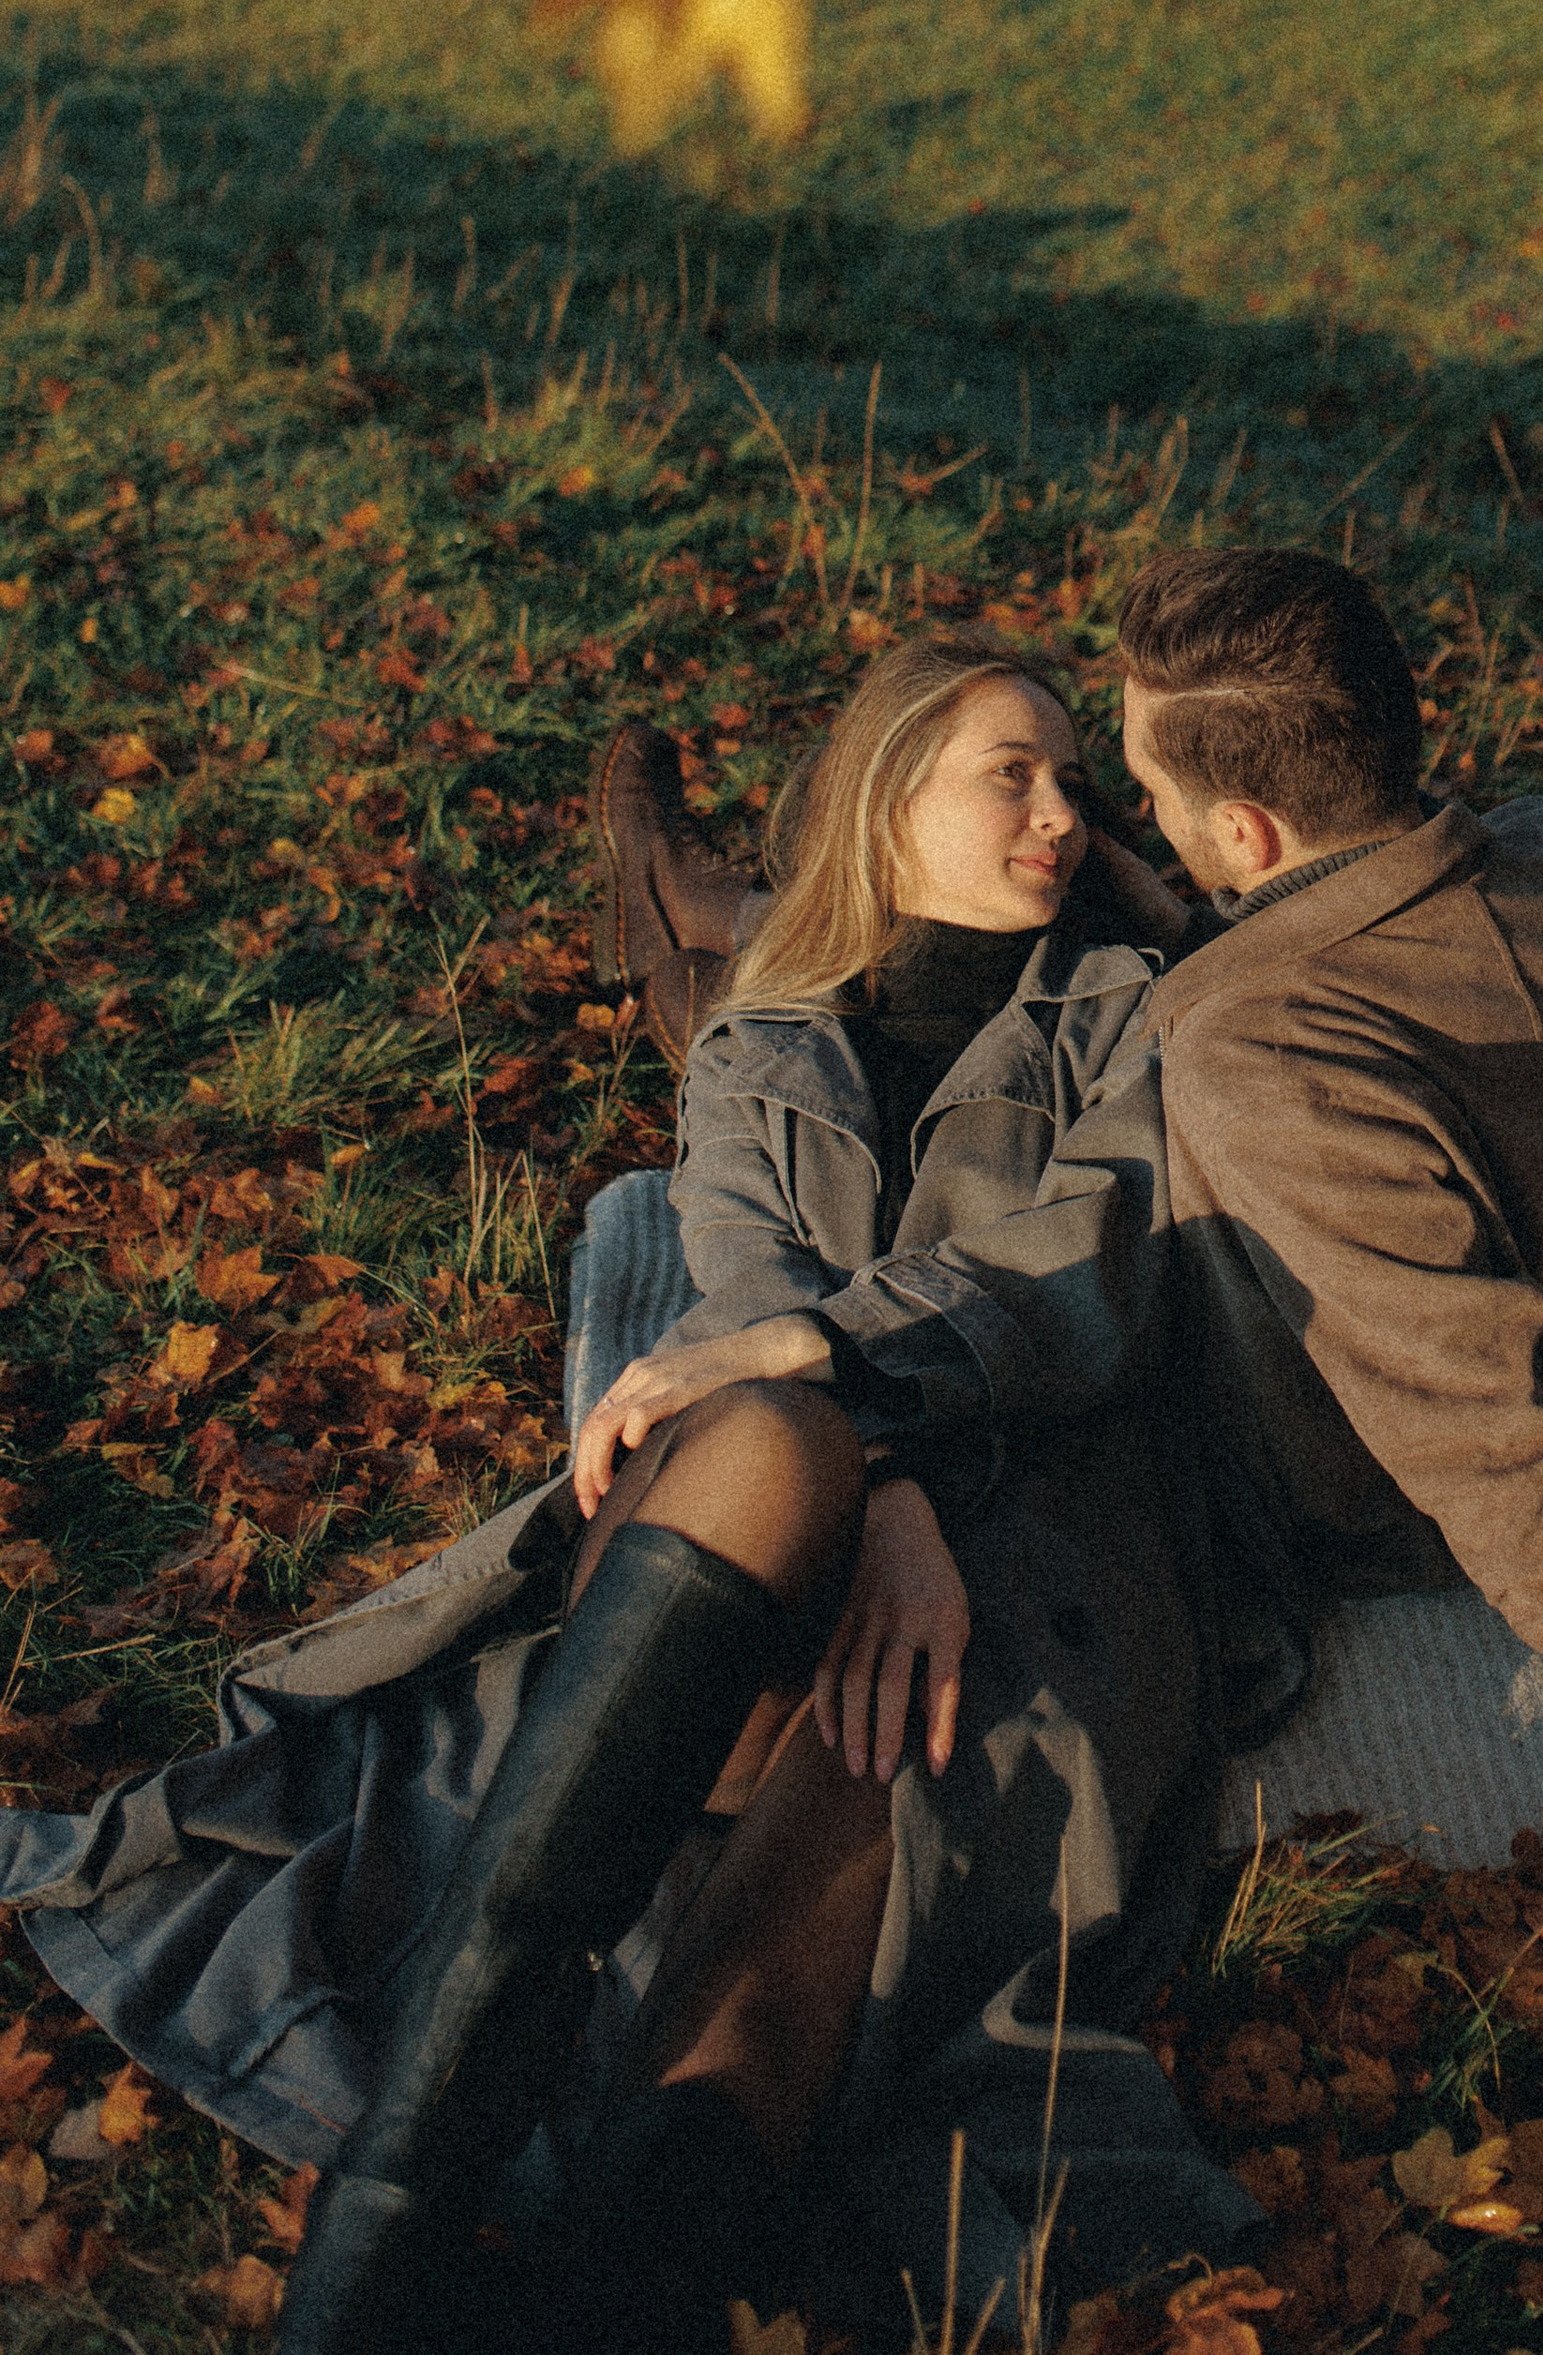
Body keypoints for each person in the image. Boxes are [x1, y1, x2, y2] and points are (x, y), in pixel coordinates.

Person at [0, 637, 1256, 2355]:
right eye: (1010, 778)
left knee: (899, 1764)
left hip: (1028, 1542)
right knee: (767, 1437)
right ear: (884, 812)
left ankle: (615, 2293)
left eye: (1074, 783)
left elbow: (1086, 1268)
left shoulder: (1128, 1007)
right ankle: (392, 2219)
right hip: (785, 1522)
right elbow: (737, 1277)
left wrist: (1135, 887)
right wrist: (879, 1489)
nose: (1059, 814)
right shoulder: (764, 1033)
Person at [602, 548, 1543, 1929]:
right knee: (788, 988)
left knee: (775, 998)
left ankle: (697, 917)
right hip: (1500, 1242)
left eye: (1125, 788)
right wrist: (1186, 908)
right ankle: (706, 909)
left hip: (1299, 1481)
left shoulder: (1246, 1063)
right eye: (1044, 778)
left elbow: (1489, 1425)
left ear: (1245, 834)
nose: (1088, 818)